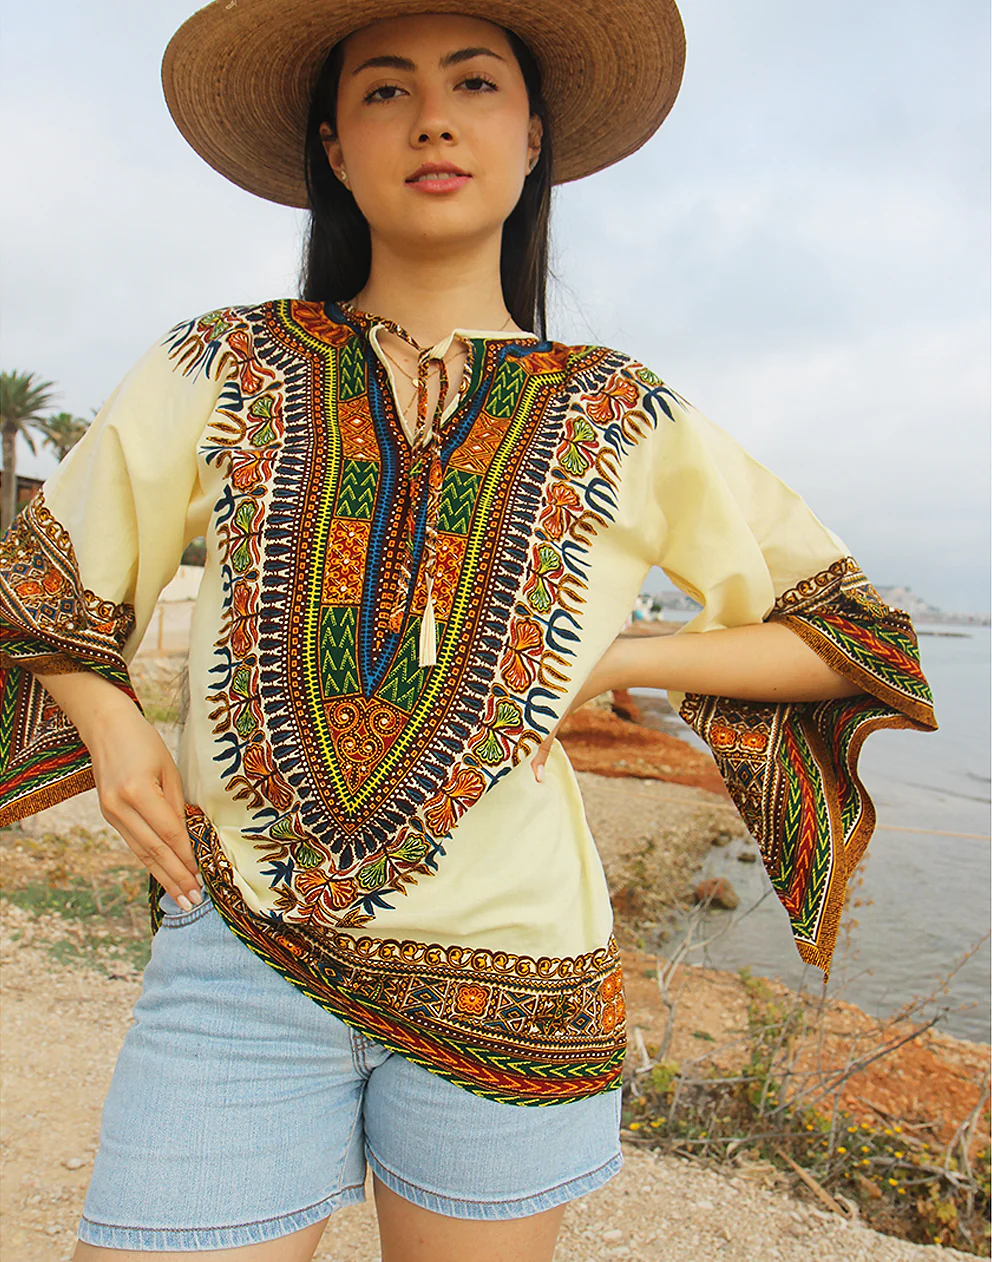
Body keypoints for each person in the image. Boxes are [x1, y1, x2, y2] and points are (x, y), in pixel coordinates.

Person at [0, 1, 937, 1258]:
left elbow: (846, 634)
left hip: (518, 979)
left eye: (475, 84)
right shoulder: (220, 362)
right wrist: (111, 721)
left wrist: (614, 660)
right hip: (239, 960)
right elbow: (44, 584)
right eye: (385, 90)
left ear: (532, 134)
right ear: (334, 147)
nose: (433, 118)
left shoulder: (618, 409)